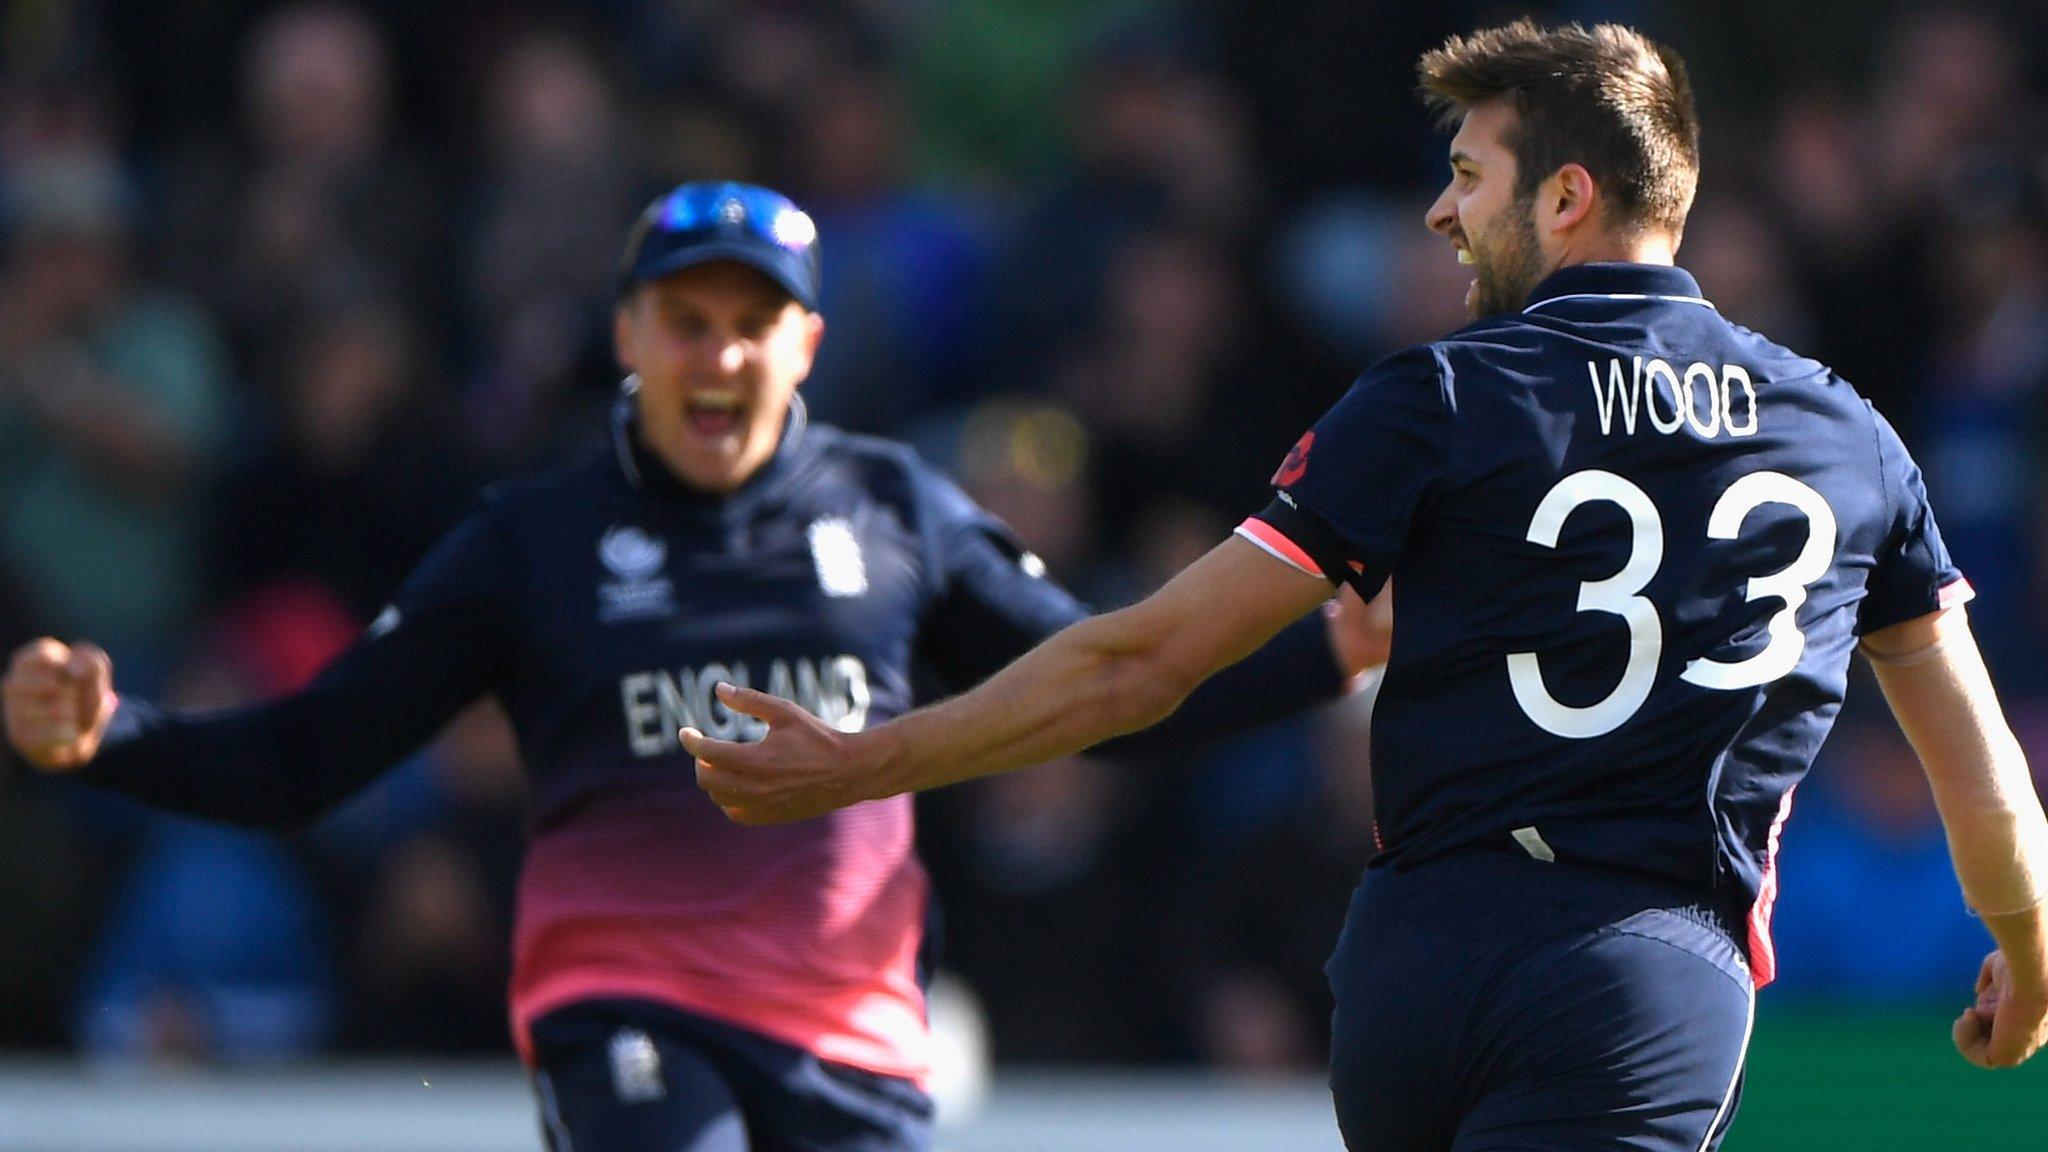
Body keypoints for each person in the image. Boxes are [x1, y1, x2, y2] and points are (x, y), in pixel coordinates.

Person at [678, 24, 2048, 1152]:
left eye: (1469, 172)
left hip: (1413, 968)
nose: (1443, 210)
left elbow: (1140, 663)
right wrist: (2032, 963)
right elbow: (1984, 781)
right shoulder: (1847, 437)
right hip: (1638, 970)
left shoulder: (1437, 398)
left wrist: (870, 763)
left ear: (1567, 196)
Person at [2, 180, 1384, 1152]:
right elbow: (311, 754)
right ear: (626, 338)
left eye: (754, 321)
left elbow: (1098, 700)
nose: (718, 353)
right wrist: (115, 736)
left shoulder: (898, 511)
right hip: (627, 1013)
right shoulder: (527, 543)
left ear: (810, 345)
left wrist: (1325, 650)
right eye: (684, 319)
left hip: (858, 1037)